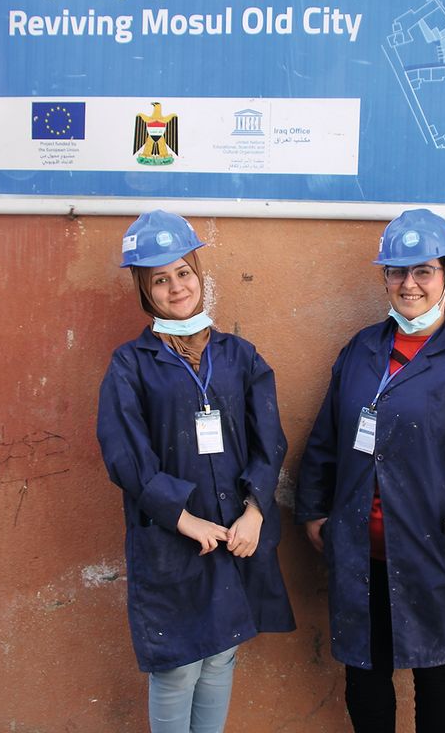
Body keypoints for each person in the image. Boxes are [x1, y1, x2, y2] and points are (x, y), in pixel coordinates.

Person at [295, 208, 445, 732]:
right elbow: (327, 434)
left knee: (435, 673)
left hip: (437, 553)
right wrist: (312, 509)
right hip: (360, 548)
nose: (410, 284)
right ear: (386, 278)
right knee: (364, 675)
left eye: (423, 271)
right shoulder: (361, 350)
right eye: (398, 271)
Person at [96, 210, 295, 733]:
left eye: (183, 272)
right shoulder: (130, 364)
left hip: (233, 532)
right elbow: (124, 454)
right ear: (145, 291)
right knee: (177, 664)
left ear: (198, 276)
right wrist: (183, 519)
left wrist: (254, 512)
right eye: (160, 279)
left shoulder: (239, 356)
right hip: (173, 538)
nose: (175, 286)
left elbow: (268, 440)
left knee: (219, 655)